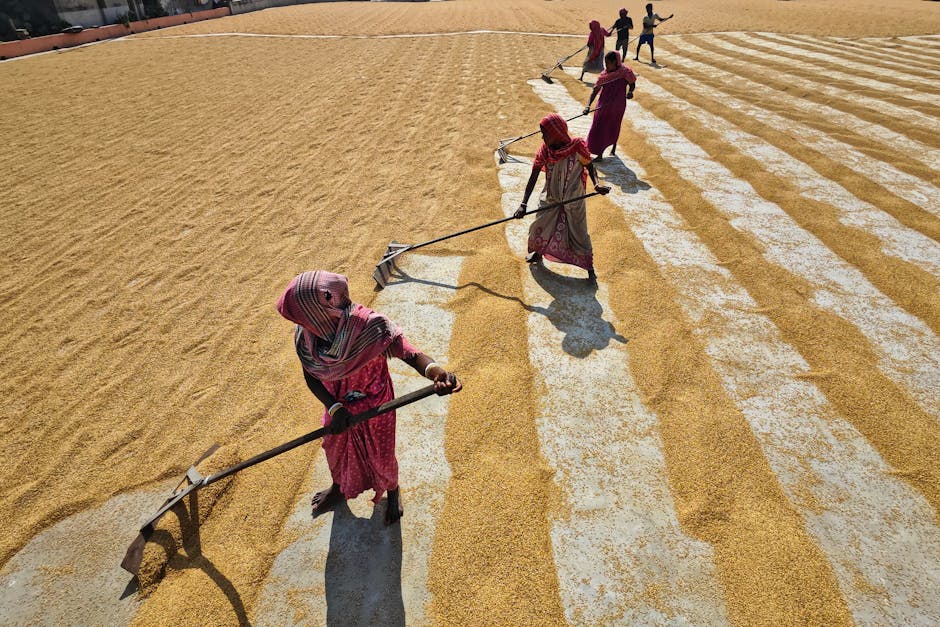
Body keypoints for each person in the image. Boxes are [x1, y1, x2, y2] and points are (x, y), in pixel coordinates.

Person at [277, 270, 462, 526]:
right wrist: (334, 408)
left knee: (382, 456)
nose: (301, 324)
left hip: (377, 407)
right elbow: (310, 376)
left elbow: (408, 353)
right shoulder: (306, 338)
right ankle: (339, 487)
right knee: (336, 451)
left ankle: (393, 491)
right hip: (338, 410)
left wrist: (437, 373)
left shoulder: (371, 327)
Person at [513, 114, 611, 280]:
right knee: (541, 225)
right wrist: (523, 204)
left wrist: (596, 184)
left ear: (556, 133)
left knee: (579, 233)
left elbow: (590, 165)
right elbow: (534, 174)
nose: (543, 137)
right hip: (550, 198)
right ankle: (538, 253)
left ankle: (589, 268)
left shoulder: (577, 147)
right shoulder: (545, 150)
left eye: (545, 134)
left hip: (574, 199)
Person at [584, 51, 637, 161]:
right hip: (603, 105)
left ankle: (601, 154)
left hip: (618, 106)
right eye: (605, 63)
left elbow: (632, 84)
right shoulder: (604, 75)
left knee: (613, 126)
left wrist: (630, 92)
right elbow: (595, 91)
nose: (606, 66)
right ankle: (596, 150)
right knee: (598, 126)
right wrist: (587, 106)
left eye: (608, 63)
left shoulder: (625, 72)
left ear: (616, 62)